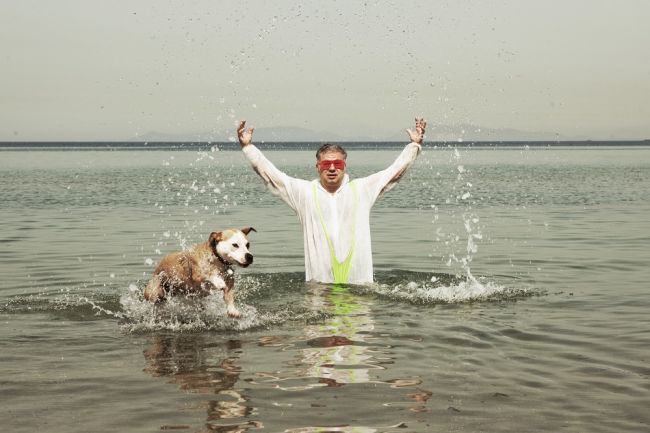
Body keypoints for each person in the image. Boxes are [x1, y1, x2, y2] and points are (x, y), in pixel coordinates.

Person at [237, 117, 426, 285]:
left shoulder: (361, 189)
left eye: (338, 164)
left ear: (345, 166)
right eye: (326, 164)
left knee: (359, 324)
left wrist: (414, 146)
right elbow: (271, 175)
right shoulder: (304, 193)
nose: (332, 168)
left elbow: (393, 173)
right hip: (320, 288)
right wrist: (248, 148)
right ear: (318, 167)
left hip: (360, 286)